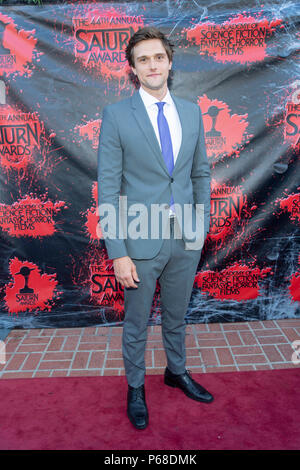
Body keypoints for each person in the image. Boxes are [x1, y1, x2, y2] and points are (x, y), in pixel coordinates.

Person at [97, 27, 213, 430]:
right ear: (132, 67)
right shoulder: (116, 116)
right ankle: (135, 387)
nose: (152, 65)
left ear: (169, 62)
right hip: (138, 240)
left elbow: (200, 173)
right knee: (136, 321)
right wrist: (118, 252)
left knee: (178, 315)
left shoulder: (192, 112)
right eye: (143, 59)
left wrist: (200, 223)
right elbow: (109, 189)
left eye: (158, 57)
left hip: (186, 237)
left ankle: (175, 372)